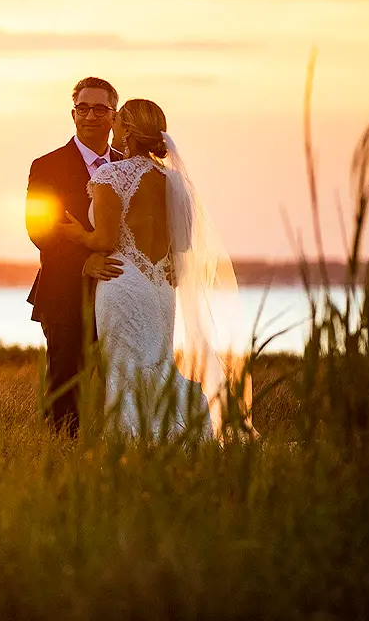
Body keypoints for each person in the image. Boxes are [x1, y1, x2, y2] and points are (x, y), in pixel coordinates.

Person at [57, 98, 243, 438]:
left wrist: (77, 235)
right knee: (157, 362)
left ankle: (134, 439)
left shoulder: (111, 175)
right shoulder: (174, 181)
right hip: (159, 288)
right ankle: (175, 431)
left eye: (117, 122)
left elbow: (105, 240)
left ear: (127, 130)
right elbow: (183, 245)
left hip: (123, 282)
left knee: (125, 367)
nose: (111, 127)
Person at [24, 77, 124, 436]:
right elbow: (39, 230)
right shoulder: (46, 166)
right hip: (65, 292)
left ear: (114, 116)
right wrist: (84, 261)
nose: (91, 115)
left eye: (100, 108)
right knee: (66, 383)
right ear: (73, 113)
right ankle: (63, 461)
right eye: (84, 108)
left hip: (120, 291)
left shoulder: (130, 167)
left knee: (119, 383)